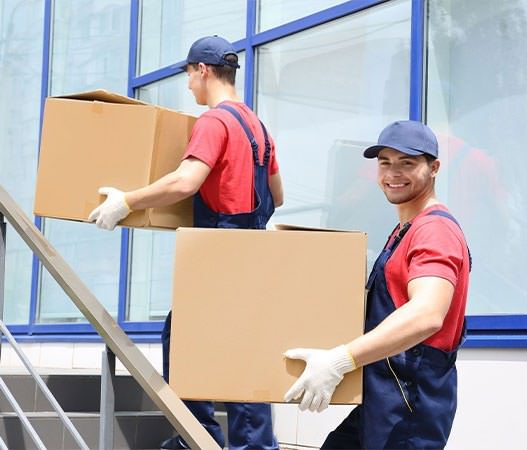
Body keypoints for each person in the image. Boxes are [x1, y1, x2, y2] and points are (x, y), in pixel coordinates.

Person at [88, 36, 283, 450]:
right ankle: (254, 445)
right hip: (254, 252)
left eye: (189, 76)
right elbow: (277, 196)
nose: (189, 86)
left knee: (186, 341)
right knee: (242, 347)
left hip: (219, 252)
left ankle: (197, 438)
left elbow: (185, 181)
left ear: (203, 71)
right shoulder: (257, 126)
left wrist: (127, 200)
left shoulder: (215, 122)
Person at [284, 120, 470, 449]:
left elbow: (427, 313)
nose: (392, 173)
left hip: (408, 406)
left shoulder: (434, 231)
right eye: (385, 162)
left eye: (407, 163)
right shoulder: (405, 230)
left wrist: (340, 360)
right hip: (383, 397)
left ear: (435, 167)